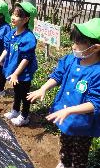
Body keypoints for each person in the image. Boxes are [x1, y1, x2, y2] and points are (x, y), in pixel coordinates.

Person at [27, 18, 100, 168]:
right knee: (65, 142)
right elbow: (57, 75)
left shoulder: (97, 72)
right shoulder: (71, 59)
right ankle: (65, 161)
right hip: (65, 116)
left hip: (82, 124)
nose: (73, 46)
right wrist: (43, 88)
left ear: (94, 48)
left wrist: (69, 111)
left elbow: (95, 103)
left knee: (79, 153)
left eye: (77, 43)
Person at [0, 2, 38, 126]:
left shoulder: (28, 37)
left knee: (24, 94)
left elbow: (26, 58)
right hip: (14, 69)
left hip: (23, 72)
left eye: (17, 16)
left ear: (26, 19)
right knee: (17, 91)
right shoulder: (12, 33)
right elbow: (6, 49)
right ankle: (15, 110)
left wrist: (16, 74)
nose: (13, 17)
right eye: (13, 14)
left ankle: (24, 116)